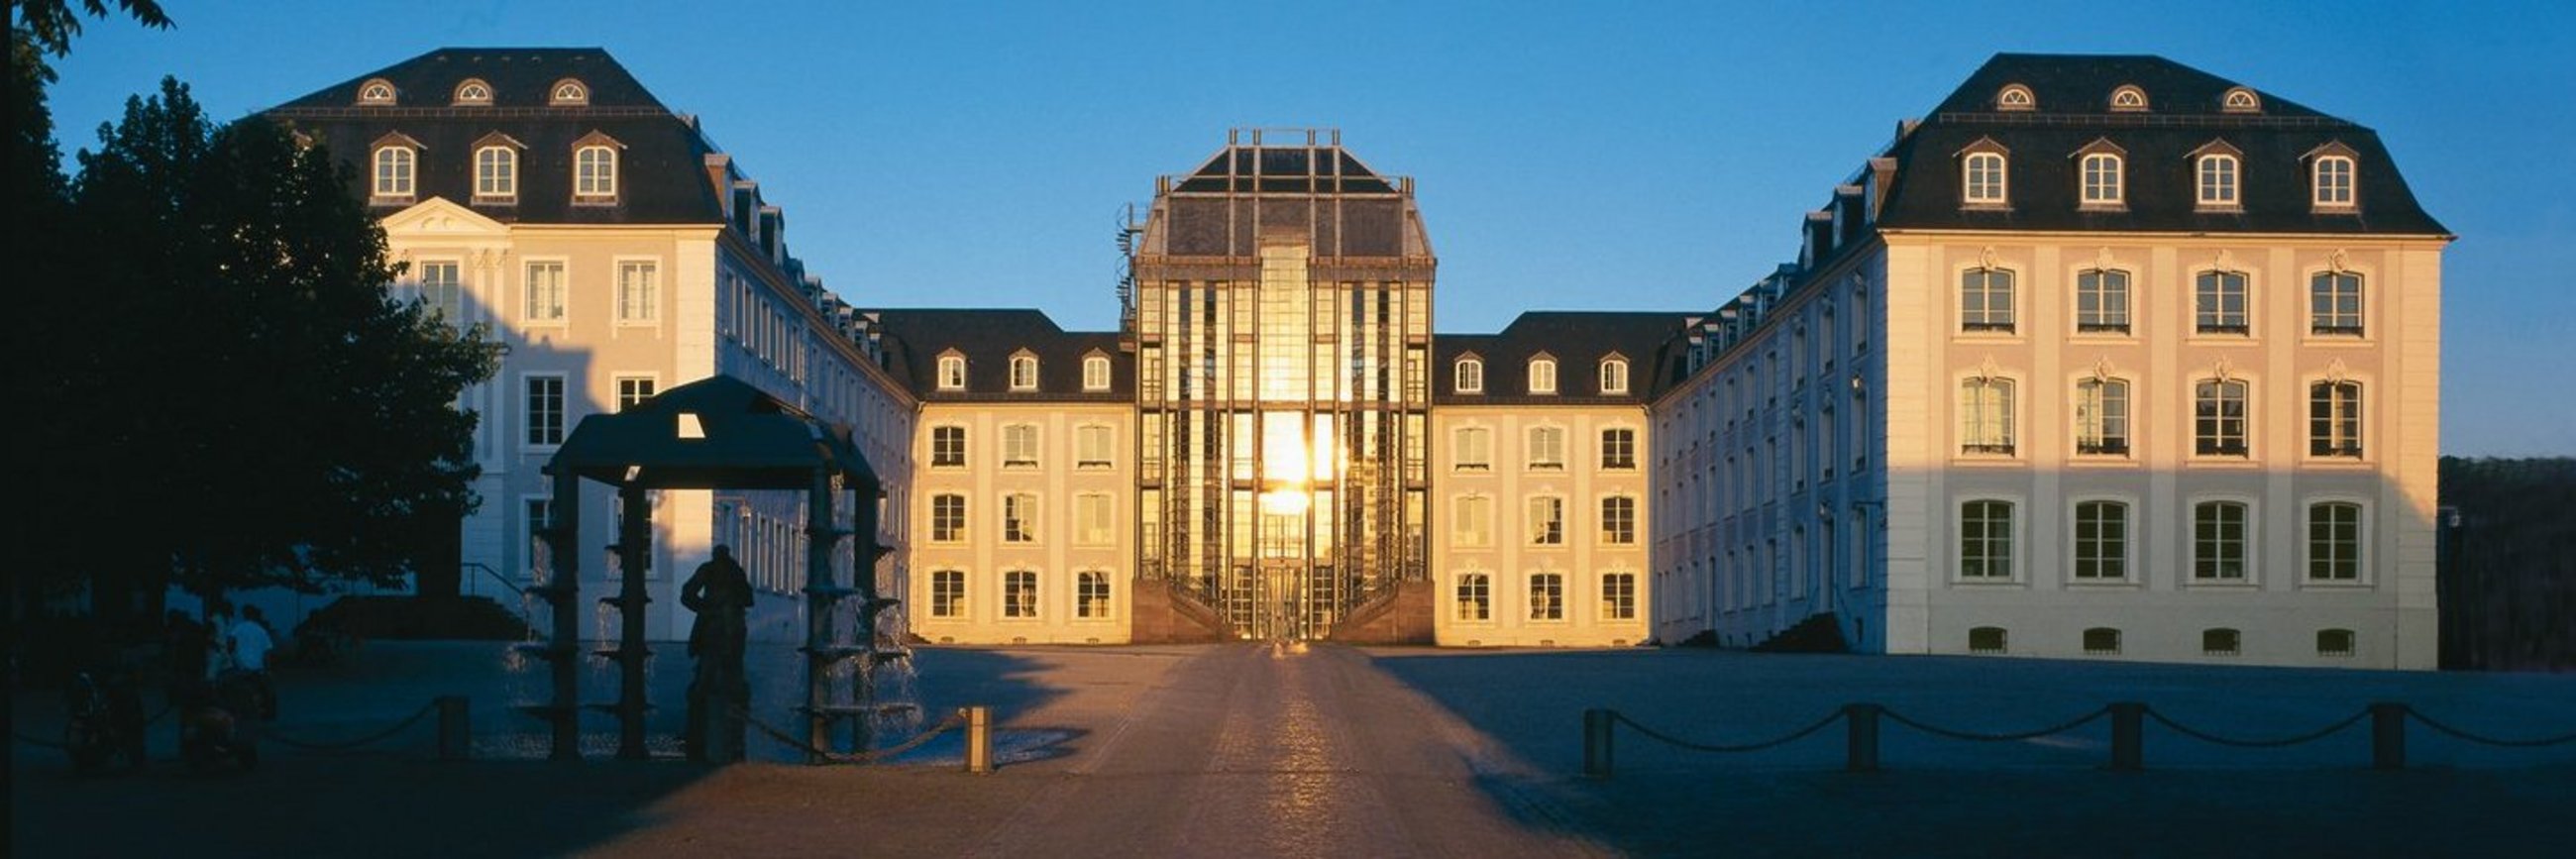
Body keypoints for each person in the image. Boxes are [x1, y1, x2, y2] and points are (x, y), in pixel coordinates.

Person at [681, 545, 753, 762]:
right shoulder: (733, 571)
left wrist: (706, 608)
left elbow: (687, 594)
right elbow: (748, 599)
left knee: (715, 682)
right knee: (723, 681)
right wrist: (711, 609)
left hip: (720, 631)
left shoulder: (717, 570)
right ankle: (720, 744)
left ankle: (703, 743)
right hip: (722, 632)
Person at [229, 605, 277, 720]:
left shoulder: (238, 628)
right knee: (266, 690)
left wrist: (233, 656)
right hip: (257, 667)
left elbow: (230, 643)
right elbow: (267, 652)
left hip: (240, 666)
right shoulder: (261, 631)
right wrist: (268, 669)